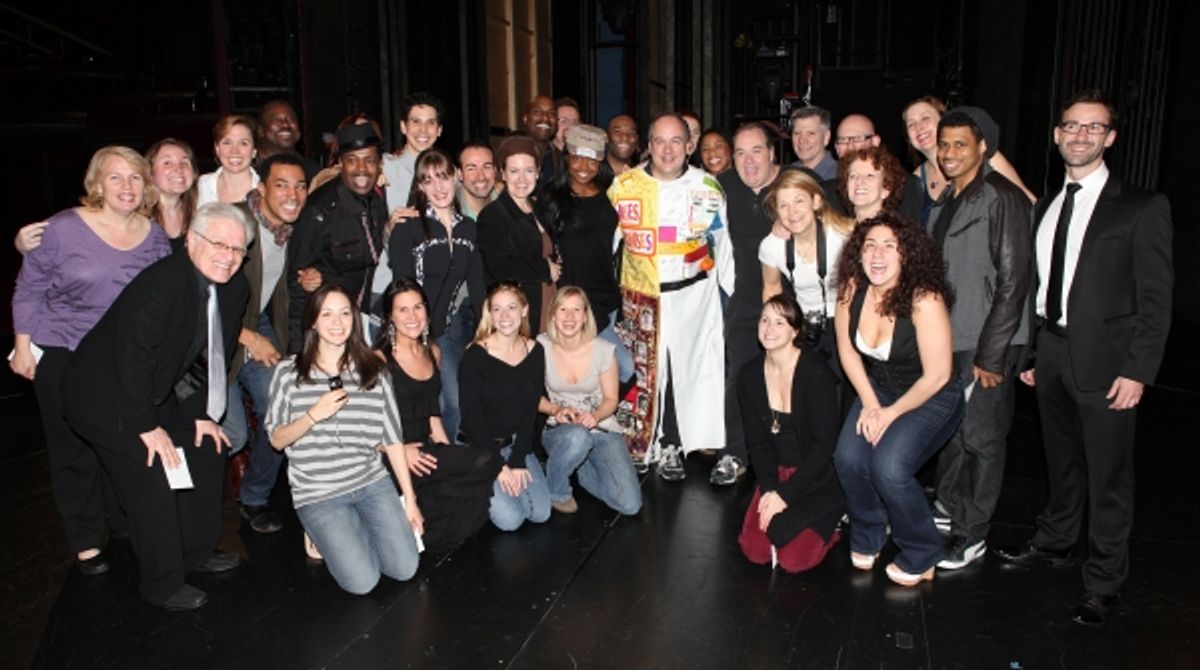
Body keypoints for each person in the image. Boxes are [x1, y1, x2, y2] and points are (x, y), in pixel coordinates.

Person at [997, 89, 1173, 627]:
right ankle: (1055, 542)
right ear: (1056, 135)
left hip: (1109, 365)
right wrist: (1030, 350)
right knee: (1061, 462)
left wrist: (1138, 370)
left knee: (1109, 478)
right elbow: (1039, 285)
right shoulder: (1048, 204)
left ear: (1111, 137)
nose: (1080, 135)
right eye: (1071, 126)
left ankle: (1102, 581)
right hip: (1050, 353)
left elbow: (1156, 298)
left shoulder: (1143, 207)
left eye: (1093, 128)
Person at [61, 203, 253, 610]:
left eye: (238, 249)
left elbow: (210, 354)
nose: (229, 256)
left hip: (157, 385)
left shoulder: (234, 287)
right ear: (192, 241)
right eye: (219, 244)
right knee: (153, 469)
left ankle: (197, 552)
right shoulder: (162, 283)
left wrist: (199, 415)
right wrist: (146, 427)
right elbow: (132, 358)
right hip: (101, 393)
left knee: (207, 448)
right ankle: (162, 583)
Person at [11, 146, 172, 578]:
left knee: (119, 441)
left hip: (119, 356)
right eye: (115, 177)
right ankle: (84, 539)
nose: (126, 186)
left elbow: (160, 297)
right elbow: (29, 288)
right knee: (72, 448)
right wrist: (23, 346)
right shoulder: (63, 229)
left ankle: (120, 521)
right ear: (97, 184)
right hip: (63, 348)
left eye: (135, 178)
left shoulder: (153, 235)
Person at [831, 211, 964, 587]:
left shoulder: (924, 299)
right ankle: (871, 531)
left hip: (932, 394)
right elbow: (848, 352)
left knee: (889, 468)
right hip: (881, 390)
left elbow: (938, 374)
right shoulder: (850, 290)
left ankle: (922, 552)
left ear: (907, 254)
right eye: (870, 244)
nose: (878, 253)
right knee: (848, 457)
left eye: (890, 245)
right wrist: (872, 404)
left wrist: (889, 414)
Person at [926, 107, 1032, 570]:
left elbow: (1014, 280)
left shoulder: (1000, 196)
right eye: (943, 145)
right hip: (951, 337)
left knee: (983, 438)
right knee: (953, 434)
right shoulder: (952, 197)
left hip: (987, 340)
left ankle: (973, 533)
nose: (949, 153)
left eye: (960, 145)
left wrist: (993, 354)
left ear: (983, 148)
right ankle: (948, 510)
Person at [265, 285, 423, 594]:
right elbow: (277, 440)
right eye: (327, 314)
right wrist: (312, 415)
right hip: (319, 492)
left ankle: (350, 529)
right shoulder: (289, 371)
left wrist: (410, 500)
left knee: (404, 569)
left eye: (345, 313)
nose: (337, 322)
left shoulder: (374, 371)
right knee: (363, 583)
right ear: (313, 321)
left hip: (370, 483)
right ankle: (319, 531)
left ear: (355, 319)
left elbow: (392, 438)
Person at [610, 112, 734, 480]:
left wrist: (729, 297)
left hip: (695, 294)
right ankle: (651, 444)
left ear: (689, 146)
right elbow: (612, 245)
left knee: (691, 371)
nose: (667, 150)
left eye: (676, 141)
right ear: (648, 146)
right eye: (659, 141)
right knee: (649, 376)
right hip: (643, 296)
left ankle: (678, 444)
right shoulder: (624, 187)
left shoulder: (708, 187)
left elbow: (722, 244)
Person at [376, 279, 502, 550]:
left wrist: (446, 451)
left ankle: (423, 512)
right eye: (402, 310)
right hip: (395, 453)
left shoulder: (433, 351)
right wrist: (396, 451)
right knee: (487, 461)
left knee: (473, 507)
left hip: (427, 449)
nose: (412, 317)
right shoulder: (378, 360)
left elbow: (432, 413)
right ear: (389, 317)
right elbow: (361, 424)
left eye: (418, 307)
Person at [223, 152, 310, 534]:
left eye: (300, 185)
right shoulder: (234, 225)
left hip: (254, 322)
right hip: (215, 333)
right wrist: (246, 338)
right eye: (281, 184)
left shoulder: (287, 231)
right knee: (234, 433)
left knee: (282, 406)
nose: (292, 194)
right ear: (260, 189)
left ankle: (254, 497)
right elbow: (201, 299)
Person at [737, 295, 844, 573]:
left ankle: (832, 520)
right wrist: (771, 488)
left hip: (815, 477)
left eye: (779, 322)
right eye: (764, 320)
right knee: (755, 551)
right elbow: (758, 444)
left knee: (794, 561)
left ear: (795, 331)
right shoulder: (749, 376)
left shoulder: (816, 373)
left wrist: (786, 495)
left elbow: (824, 447)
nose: (769, 329)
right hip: (775, 474)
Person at [388, 147, 487, 443]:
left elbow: (478, 285)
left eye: (443, 177)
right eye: (428, 180)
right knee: (422, 409)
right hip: (409, 332)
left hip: (445, 330)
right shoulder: (407, 228)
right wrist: (413, 337)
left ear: (455, 177)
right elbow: (401, 288)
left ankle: (452, 466)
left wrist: (483, 334)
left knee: (454, 404)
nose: (438, 187)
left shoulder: (468, 229)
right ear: (419, 186)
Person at [712, 121, 782, 486]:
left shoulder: (793, 186)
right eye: (740, 152)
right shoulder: (725, 188)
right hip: (743, 304)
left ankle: (790, 462)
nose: (748, 160)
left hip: (788, 306)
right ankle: (734, 453)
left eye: (756, 150)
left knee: (788, 383)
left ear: (772, 152)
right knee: (739, 379)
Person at [537, 124, 632, 382]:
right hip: (573, 303)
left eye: (591, 160)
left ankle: (594, 418)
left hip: (608, 299)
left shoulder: (613, 194)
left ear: (601, 160)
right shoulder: (551, 197)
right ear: (567, 156)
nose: (583, 166)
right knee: (623, 369)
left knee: (602, 374)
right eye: (577, 157)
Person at [537, 287, 642, 516]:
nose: (569, 317)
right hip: (560, 430)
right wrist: (556, 408)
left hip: (600, 428)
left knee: (630, 505)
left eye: (576, 310)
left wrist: (594, 416)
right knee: (577, 437)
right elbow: (531, 397)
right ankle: (557, 490)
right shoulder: (540, 347)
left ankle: (582, 470)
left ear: (586, 316)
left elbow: (612, 400)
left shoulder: (604, 351)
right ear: (553, 314)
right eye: (563, 309)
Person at [287, 121, 389, 350]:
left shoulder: (381, 200)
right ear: (340, 164)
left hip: (364, 320)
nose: (362, 168)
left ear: (379, 164)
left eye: (369, 160)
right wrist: (300, 353)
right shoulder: (319, 211)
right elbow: (298, 287)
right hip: (328, 327)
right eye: (352, 160)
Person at [458, 283, 551, 531]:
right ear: (489, 313)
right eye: (497, 309)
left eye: (511, 308)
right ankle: (471, 483)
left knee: (541, 513)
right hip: (481, 447)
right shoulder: (475, 356)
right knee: (511, 521)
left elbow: (530, 408)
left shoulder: (535, 350)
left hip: (516, 444)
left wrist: (519, 459)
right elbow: (472, 418)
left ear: (524, 310)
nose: (505, 316)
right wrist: (498, 466)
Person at [759, 168, 853, 362]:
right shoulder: (772, 246)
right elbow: (771, 289)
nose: (792, 212)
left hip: (847, 321)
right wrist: (778, 334)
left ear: (816, 201)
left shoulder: (843, 235)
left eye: (799, 201)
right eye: (783, 205)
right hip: (804, 326)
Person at [901, 95, 1036, 226]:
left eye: (925, 118)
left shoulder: (984, 156)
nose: (919, 127)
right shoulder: (917, 178)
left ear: (944, 120)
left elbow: (1027, 201)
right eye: (911, 124)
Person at [477, 135, 561, 334]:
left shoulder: (540, 208)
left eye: (529, 171)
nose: (522, 179)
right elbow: (499, 268)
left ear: (538, 173)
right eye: (514, 171)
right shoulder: (493, 215)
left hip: (547, 300)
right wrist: (544, 268)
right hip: (518, 313)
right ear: (503, 174)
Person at [383, 92, 444, 216]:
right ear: (403, 127)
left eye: (430, 122)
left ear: (439, 130)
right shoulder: (384, 167)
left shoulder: (449, 174)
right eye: (416, 121)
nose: (423, 130)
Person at [146, 138, 199, 245]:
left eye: (184, 163)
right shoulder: (138, 217)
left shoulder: (199, 214)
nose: (178, 169)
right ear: (150, 173)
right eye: (167, 163)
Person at [198, 115, 260, 206]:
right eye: (227, 143)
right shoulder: (201, 186)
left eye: (243, 143)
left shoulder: (265, 190)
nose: (234, 151)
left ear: (254, 151)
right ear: (217, 149)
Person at [836, 145, 908, 222]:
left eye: (870, 175)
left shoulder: (894, 232)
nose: (859, 180)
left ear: (886, 188)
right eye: (853, 176)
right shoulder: (837, 231)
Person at [256, 100, 321, 180]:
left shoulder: (314, 173)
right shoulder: (246, 168)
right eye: (277, 120)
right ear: (260, 130)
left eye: (291, 119)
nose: (286, 124)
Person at [522, 94, 560, 191]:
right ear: (525, 118)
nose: (545, 119)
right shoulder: (511, 154)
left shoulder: (561, 160)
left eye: (551, 114)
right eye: (537, 112)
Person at [789, 106, 837, 180]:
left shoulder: (838, 176)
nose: (802, 140)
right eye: (797, 133)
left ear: (826, 137)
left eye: (810, 133)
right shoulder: (788, 173)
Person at [457, 141, 500, 219]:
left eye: (487, 167)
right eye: (471, 169)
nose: (481, 176)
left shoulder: (508, 205)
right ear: (460, 174)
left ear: (495, 170)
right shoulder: (449, 213)